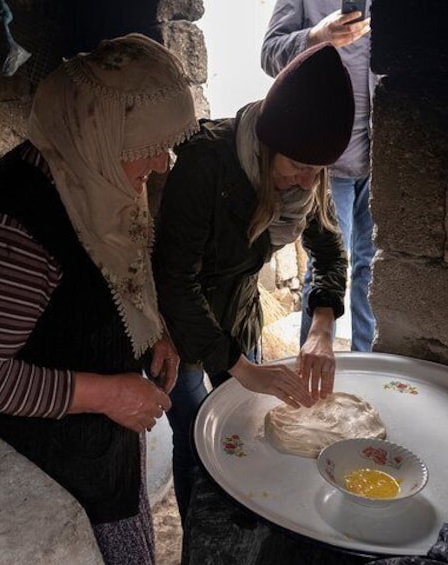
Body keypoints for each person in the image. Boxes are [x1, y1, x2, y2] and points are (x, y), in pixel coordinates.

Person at [0, 34, 198, 564]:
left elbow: (116, 276)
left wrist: (155, 334)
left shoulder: (94, 179)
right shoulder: (10, 225)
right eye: (146, 145)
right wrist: (110, 395)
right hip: (50, 471)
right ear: (97, 127)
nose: (159, 162)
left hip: (101, 451)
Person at [153, 43, 354, 524]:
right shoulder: (206, 165)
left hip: (238, 310)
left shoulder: (308, 174)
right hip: (176, 324)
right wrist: (243, 369)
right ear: (267, 144)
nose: (309, 183)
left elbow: (328, 248)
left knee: (245, 429)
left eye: (318, 171)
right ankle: (200, 536)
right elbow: (176, 280)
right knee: (196, 429)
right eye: (300, 168)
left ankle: (244, 527)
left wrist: (322, 327)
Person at [261, 0, 377, 352]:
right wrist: (316, 36)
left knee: (371, 271)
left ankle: (365, 364)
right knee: (325, 261)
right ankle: (310, 365)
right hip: (326, 167)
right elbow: (269, 54)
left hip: (381, 160)